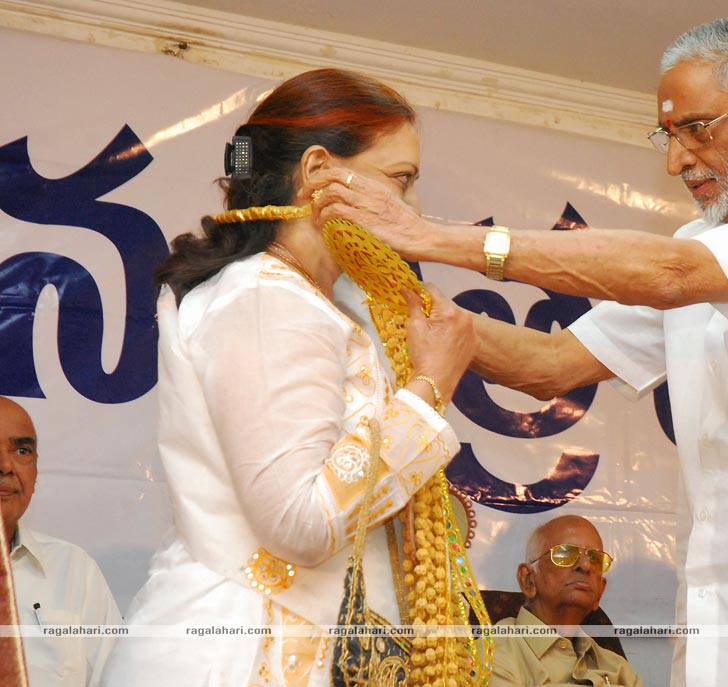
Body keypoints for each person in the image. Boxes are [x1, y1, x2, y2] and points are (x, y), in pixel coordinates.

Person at [309, 15, 728, 687]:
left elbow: (671, 274)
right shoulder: (703, 242)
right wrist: (392, 299)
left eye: (698, 129)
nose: (675, 160)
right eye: (668, 134)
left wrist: (430, 236)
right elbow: (551, 365)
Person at [101, 68, 481, 687]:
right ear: (317, 172)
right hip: (244, 653)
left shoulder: (328, 302)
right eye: (399, 180)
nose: (410, 208)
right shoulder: (266, 299)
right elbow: (302, 524)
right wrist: (429, 389)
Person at [1, 396, 122, 687]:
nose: (5, 465)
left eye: (22, 450)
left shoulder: (74, 569)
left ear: (36, 469)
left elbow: (118, 678)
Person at [490, 515, 640, 687]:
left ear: (600, 591)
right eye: (564, 553)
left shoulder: (618, 669)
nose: (585, 565)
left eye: (596, 558)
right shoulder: (495, 653)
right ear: (528, 579)